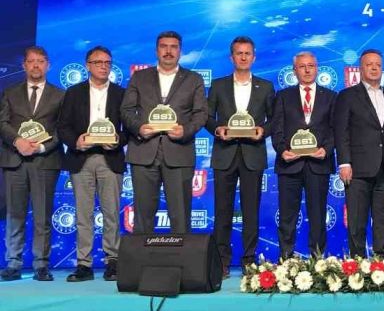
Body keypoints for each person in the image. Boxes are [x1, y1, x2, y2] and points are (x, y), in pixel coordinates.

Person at [120, 31, 208, 234]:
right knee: (142, 217)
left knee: (180, 217)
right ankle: (142, 255)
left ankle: (181, 255)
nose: (168, 51)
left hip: (179, 152)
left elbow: (201, 113)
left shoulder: (193, 79)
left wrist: (185, 130)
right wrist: (139, 128)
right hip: (143, 151)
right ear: (156, 50)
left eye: (173, 47)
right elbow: (126, 110)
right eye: (163, 46)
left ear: (180, 51)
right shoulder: (139, 77)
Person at [206, 36, 274, 277]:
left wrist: (263, 131)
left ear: (253, 57)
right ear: (231, 57)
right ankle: (222, 261)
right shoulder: (218, 85)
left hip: (252, 155)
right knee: (222, 211)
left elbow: (274, 119)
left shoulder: (266, 86)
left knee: (251, 211)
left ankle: (249, 260)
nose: (243, 57)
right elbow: (206, 116)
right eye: (239, 53)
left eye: (247, 53)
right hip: (224, 154)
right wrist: (217, 129)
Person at [57, 46, 127, 282]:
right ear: (88, 65)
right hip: (81, 159)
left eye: (107, 62)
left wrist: (117, 140)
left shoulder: (121, 93)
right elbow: (63, 126)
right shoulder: (73, 92)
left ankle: (113, 262)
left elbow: (130, 129)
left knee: (111, 213)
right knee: (83, 214)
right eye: (98, 62)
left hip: (110, 159)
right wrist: (76, 142)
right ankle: (84, 264)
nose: (103, 66)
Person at [0, 46, 64, 281]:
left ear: (48, 65)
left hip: (45, 160)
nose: (36, 65)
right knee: (15, 213)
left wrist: (42, 147)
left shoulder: (60, 95)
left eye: (40, 61)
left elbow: (62, 129)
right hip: (15, 160)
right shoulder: (9, 93)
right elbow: (2, 122)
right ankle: (13, 263)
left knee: (42, 215)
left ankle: (41, 265)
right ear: (24, 65)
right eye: (31, 61)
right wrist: (17, 141)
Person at [334, 49, 384, 258]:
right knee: (357, 219)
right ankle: (357, 262)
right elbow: (341, 131)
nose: (374, 68)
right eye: (369, 64)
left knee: (383, 219)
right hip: (357, 168)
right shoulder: (347, 96)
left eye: (378, 65)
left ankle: (382, 261)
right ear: (360, 68)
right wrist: (344, 163)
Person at [271, 51, 335, 259]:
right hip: (290, 165)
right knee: (287, 216)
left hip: (319, 165)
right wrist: (282, 150)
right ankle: (286, 259)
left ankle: (318, 261)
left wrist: (326, 149)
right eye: (302, 66)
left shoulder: (331, 96)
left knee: (318, 216)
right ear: (294, 70)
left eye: (311, 66)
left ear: (317, 68)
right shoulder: (283, 96)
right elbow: (277, 128)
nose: (307, 70)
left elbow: (335, 129)